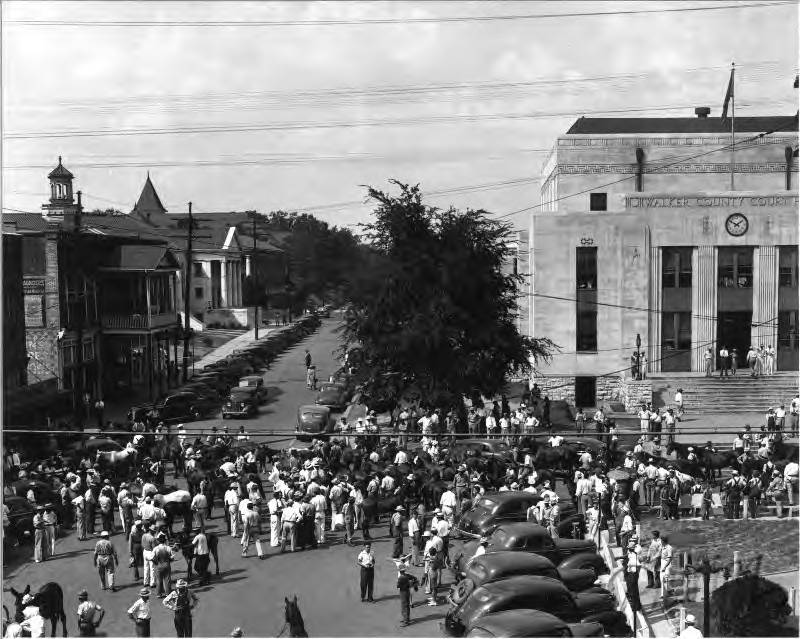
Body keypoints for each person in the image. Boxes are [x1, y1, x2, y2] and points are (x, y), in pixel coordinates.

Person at [152, 532, 175, 597]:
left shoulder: (155, 549)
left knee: (158, 579)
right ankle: (168, 593)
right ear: (165, 540)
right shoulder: (168, 548)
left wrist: (155, 563)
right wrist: (169, 560)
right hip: (167, 565)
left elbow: (152, 558)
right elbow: (172, 558)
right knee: (167, 579)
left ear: (158, 541)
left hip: (158, 565)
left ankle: (159, 593)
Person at [623, 540, 642, 613]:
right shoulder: (630, 553)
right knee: (632, 590)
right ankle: (637, 605)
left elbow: (639, 565)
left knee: (634, 591)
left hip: (633, 574)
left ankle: (635, 607)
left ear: (631, 549)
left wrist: (637, 573)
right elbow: (627, 556)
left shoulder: (634, 555)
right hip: (631, 573)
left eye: (629, 548)